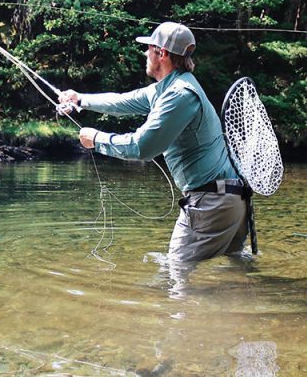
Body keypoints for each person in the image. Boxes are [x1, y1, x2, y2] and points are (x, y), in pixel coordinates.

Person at [58, 21, 249, 263]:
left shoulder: (180, 94)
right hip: (229, 198)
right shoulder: (170, 87)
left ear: (163, 54)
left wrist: (97, 139)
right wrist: (79, 99)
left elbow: (142, 147)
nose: (145, 53)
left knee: (174, 273)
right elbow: (120, 101)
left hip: (211, 203)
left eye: (149, 48)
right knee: (237, 272)